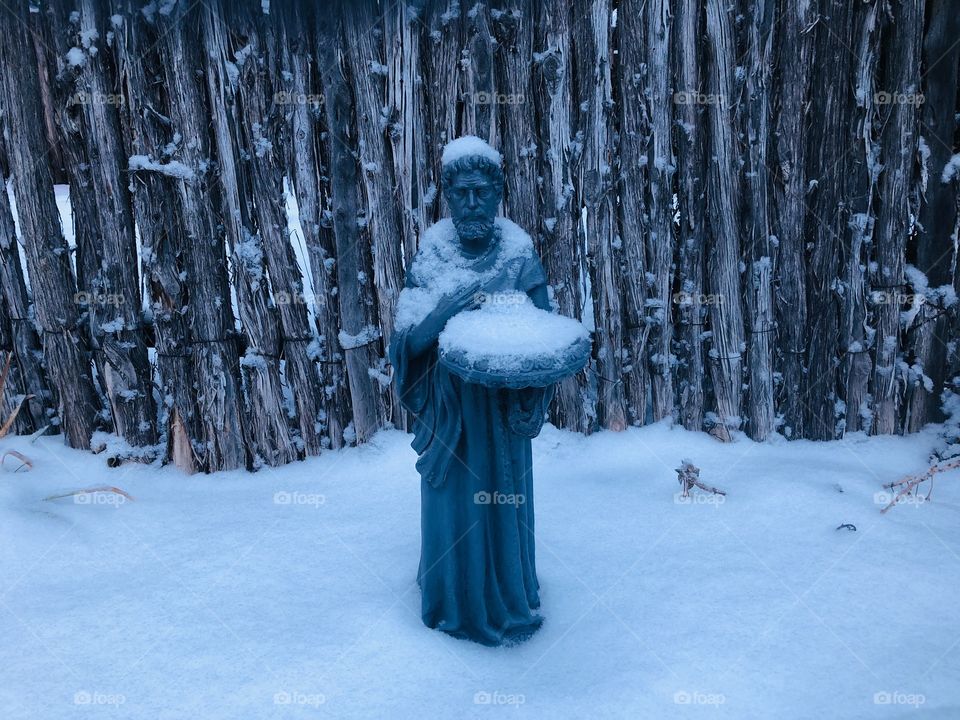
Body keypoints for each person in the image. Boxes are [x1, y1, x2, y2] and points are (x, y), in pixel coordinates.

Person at [388, 136, 554, 646]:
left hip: (501, 412)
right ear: (446, 195)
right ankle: (451, 597)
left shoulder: (517, 252)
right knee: (453, 507)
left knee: (503, 503)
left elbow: (546, 332)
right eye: (460, 193)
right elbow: (406, 341)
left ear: (500, 192)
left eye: (482, 191)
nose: (472, 203)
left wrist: (536, 390)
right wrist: (443, 312)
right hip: (451, 414)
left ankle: (507, 597)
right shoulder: (434, 254)